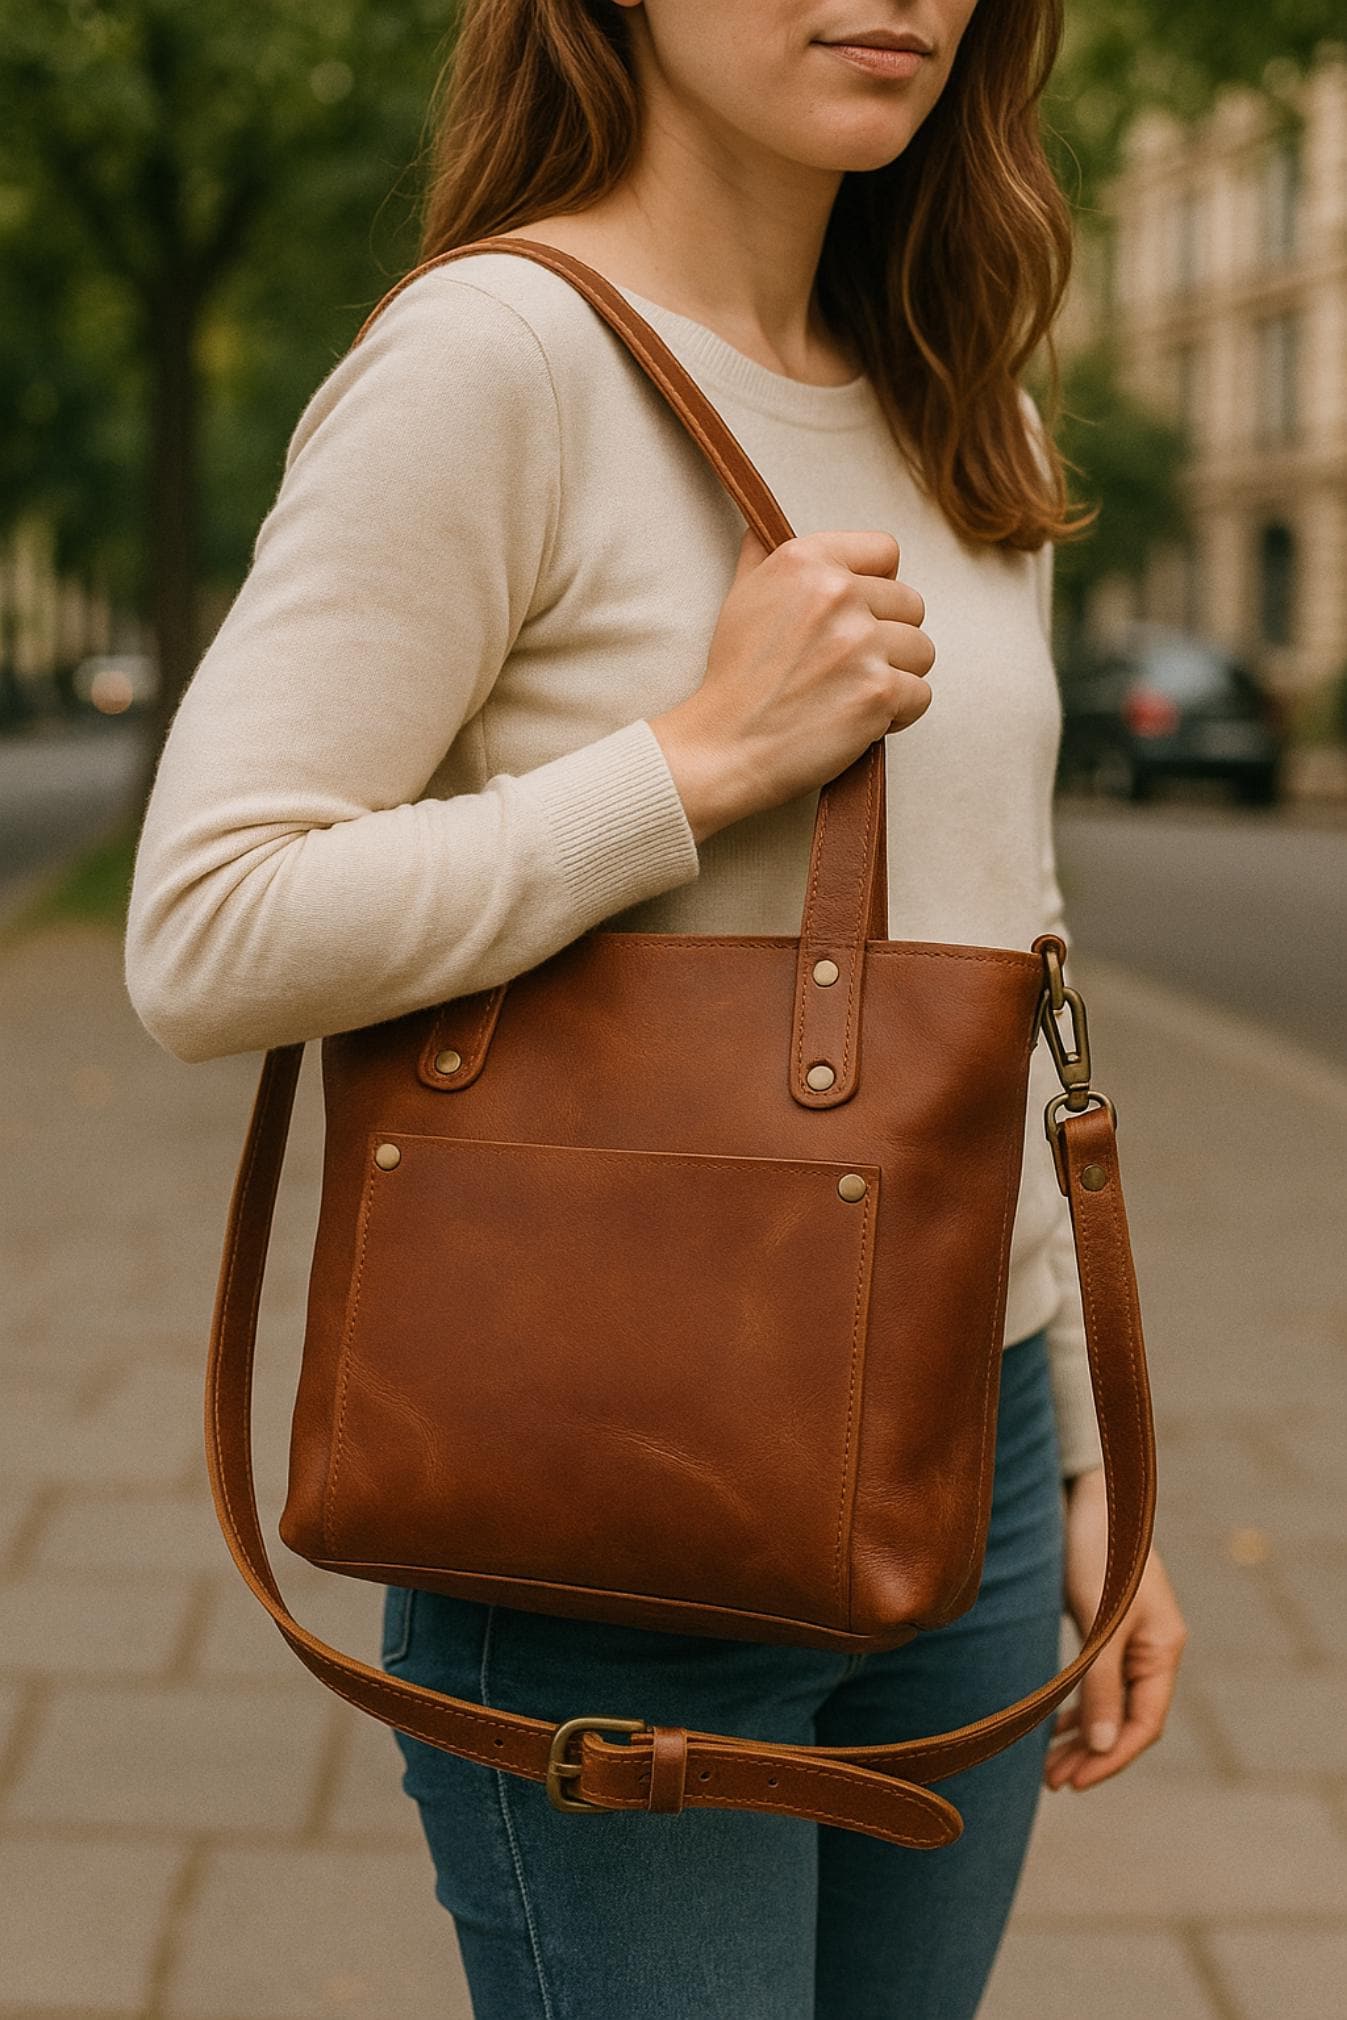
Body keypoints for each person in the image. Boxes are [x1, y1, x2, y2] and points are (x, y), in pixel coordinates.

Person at [124, 1, 1188, 2013]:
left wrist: (1085, 1472)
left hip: (975, 1436)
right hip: (616, 1479)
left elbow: (1000, 943)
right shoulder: (492, 360)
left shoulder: (964, 394)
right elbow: (205, 925)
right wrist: (690, 763)